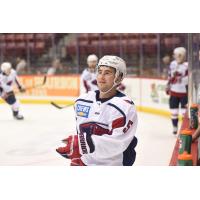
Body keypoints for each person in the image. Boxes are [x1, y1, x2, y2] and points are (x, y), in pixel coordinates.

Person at [56, 55, 138, 166]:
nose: (101, 77)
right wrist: (80, 157)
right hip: (85, 162)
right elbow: (81, 133)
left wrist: (81, 145)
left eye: (107, 73)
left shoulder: (125, 107)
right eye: (99, 72)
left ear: (119, 77)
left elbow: (117, 143)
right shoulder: (82, 101)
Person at [165, 47, 188, 135]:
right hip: (174, 92)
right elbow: (170, 76)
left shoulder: (187, 65)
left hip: (184, 93)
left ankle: (183, 129)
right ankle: (175, 128)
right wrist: (168, 86)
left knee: (183, 113)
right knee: (174, 112)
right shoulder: (173, 64)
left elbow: (187, 79)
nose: (175, 56)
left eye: (177, 55)